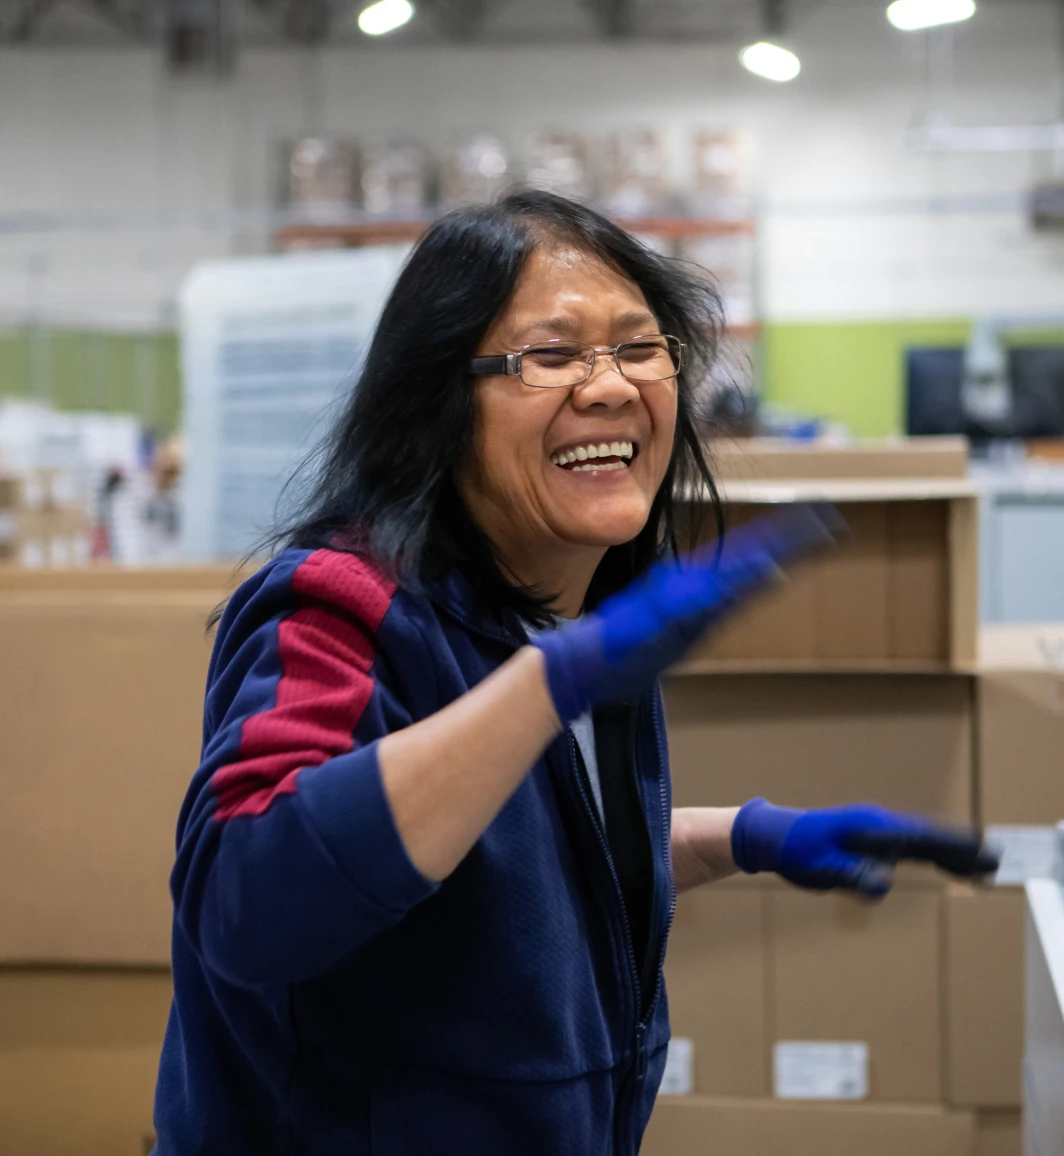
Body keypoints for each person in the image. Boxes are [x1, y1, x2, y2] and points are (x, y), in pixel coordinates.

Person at [151, 191, 995, 1156]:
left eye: (641, 348)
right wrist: (554, 682)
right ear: (436, 402)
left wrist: (745, 838)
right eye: (550, 356)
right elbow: (248, 903)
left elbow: (516, 855)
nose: (610, 387)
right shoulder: (342, 605)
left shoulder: (568, 607)